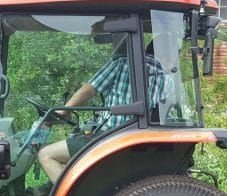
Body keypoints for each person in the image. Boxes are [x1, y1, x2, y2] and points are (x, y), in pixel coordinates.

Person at [36, 38, 171, 186]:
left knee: (46, 155)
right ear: (165, 56)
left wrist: (64, 110)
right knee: (70, 162)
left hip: (109, 137)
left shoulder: (123, 64)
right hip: (135, 139)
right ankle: (45, 194)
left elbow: (90, 89)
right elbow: (162, 113)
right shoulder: (167, 80)